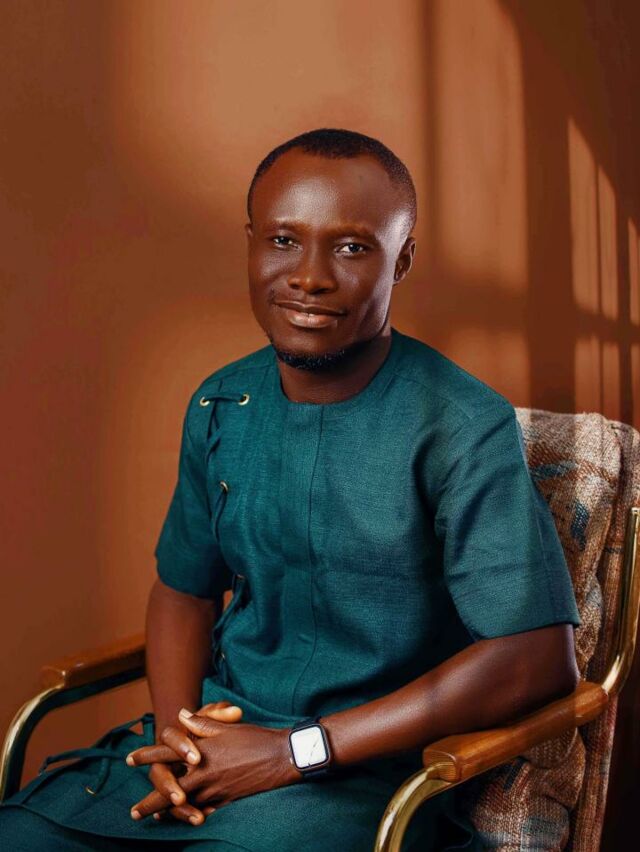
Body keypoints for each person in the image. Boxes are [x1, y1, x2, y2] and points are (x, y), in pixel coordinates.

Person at [0, 128, 582, 851]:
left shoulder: (460, 426)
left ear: (402, 259)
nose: (309, 277)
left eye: (352, 247)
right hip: (219, 738)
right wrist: (181, 739)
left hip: (360, 772)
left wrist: (294, 752)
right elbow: (183, 590)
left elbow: (536, 656)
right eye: (283, 240)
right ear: (250, 243)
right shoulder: (221, 402)